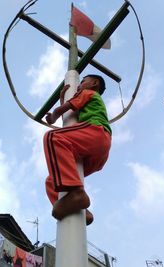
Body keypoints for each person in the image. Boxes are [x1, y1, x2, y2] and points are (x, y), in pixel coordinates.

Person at [43, 74, 112, 225]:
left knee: (53, 137)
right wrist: (63, 100)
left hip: (95, 132)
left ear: (94, 84)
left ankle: (76, 192)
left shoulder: (88, 93)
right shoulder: (85, 97)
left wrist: (55, 113)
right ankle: (80, 209)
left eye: (83, 81)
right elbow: (70, 116)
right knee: (51, 180)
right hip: (96, 151)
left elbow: (68, 107)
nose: (79, 85)